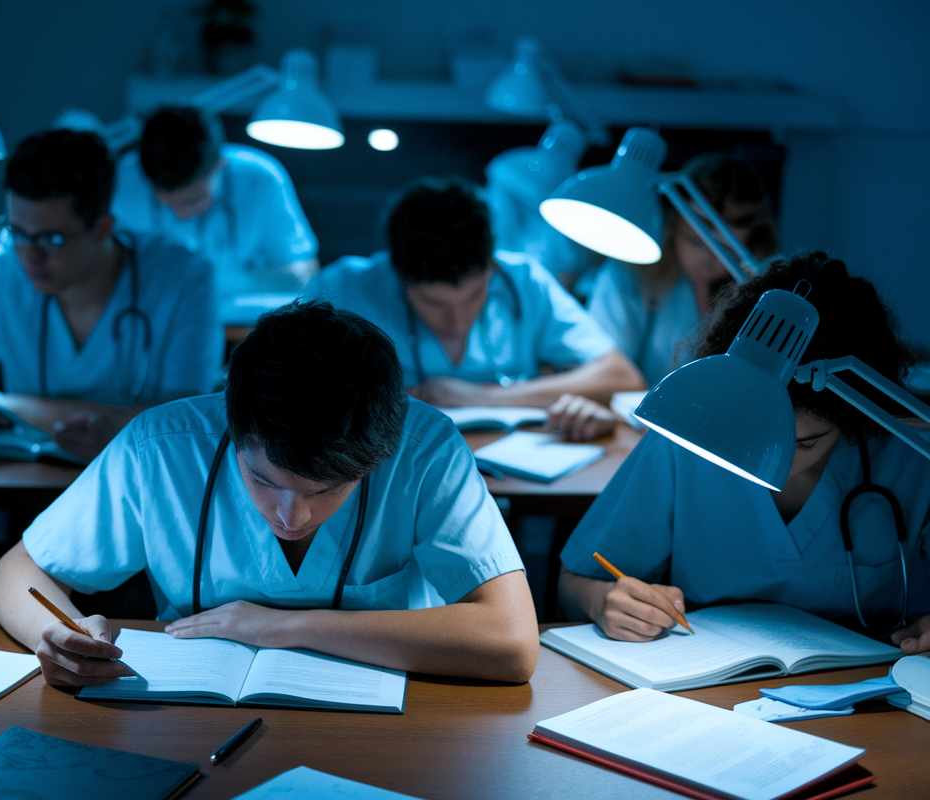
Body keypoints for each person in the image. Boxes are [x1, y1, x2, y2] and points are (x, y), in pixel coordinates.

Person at [0, 300, 539, 686]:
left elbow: (511, 641)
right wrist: (56, 634)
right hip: (194, 718)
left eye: (325, 489)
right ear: (232, 422)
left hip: (399, 716)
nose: (290, 515)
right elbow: (21, 571)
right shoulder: (161, 446)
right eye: (263, 480)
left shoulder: (424, 447)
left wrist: (281, 627)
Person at [559, 252, 930, 654]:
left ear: (854, 422)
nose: (777, 462)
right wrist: (603, 602)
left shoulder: (908, 456)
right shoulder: (692, 437)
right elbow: (574, 581)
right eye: (757, 436)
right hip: (707, 689)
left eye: (806, 443)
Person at [0, 130, 223, 462]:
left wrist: (14, 408)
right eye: (18, 233)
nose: (30, 256)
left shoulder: (185, 278)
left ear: (102, 228)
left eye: (51, 239)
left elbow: (191, 421)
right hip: (30, 491)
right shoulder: (4, 270)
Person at [306, 178, 645, 442]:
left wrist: (485, 397)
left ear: (493, 266)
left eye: (474, 296)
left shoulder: (522, 279)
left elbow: (621, 375)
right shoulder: (345, 289)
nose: (458, 323)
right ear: (397, 275)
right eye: (435, 304)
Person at [586, 153, 779, 386]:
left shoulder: (761, 297)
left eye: (728, 250)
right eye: (694, 241)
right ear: (672, 228)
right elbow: (600, 368)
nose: (707, 260)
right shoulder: (631, 275)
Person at [110, 105, 319, 317]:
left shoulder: (261, 181)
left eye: (193, 201)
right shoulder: (125, 182)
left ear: (221, 164)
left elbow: (305, 273)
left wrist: (237, 282)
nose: (182, 215)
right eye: (167, 203)